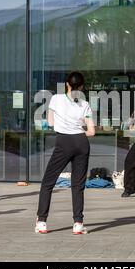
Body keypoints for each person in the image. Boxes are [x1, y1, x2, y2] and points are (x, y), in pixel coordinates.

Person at [35, 72, 95, 235]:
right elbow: (91, 131)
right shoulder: (85, 104)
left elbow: (52, 122)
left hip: (64, 142)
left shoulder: (56, 99)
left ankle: (42, 222)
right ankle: (78, 223)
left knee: (48, 182)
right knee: (78, 185)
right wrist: (79, 127)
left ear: (67, 84)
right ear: (81, 87)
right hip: (82, 143)